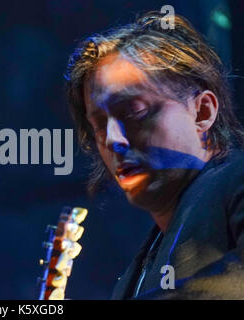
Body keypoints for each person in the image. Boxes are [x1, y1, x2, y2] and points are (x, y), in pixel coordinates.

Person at [65, 11, 244, 299]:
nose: (113, 139)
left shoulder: (236, 179)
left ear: (203, 111)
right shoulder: (140, 265)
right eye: (99, 125)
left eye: (134, 112)